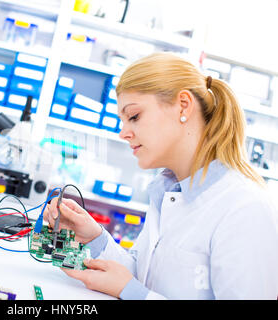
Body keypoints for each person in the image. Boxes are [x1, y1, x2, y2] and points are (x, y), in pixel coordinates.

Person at [43, 52, 278, 299]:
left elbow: (138, 290)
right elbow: (146, 276)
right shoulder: (170, 190)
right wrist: (94, 237)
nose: (123, 133)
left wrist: (134, 293)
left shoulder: (246, 209)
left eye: (134, 116)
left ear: (183, 106)